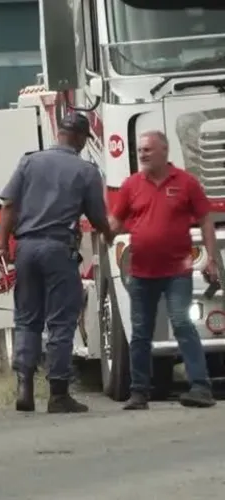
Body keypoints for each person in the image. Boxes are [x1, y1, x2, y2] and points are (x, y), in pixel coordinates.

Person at [0, 112, 115, 413]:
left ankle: (24, 387)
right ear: (78, 138)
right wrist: (109, 233)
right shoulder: (86, 171)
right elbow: (96, 216)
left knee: (26, 318)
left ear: (60, 133)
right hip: (59, 249)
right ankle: (58, 393)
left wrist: (3, 244)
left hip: (25, 248)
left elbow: (9, 204)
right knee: (61, 320)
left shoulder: (29, 162)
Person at [109, 130, 218, 410]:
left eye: (147, 149)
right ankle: (139, 392)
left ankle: (200, 387)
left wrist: (212, 259)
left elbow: (205, 219)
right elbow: (115, 222)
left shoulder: (186, 183)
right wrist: (100, 229)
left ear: (164, 151)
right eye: (140, 150)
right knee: (141, 331)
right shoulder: (131, 185)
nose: (142, 154)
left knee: (182, 323)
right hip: (141, 272)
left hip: (176, 272)